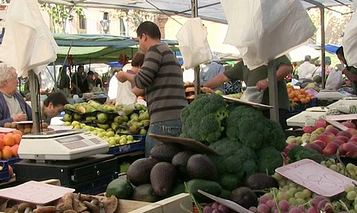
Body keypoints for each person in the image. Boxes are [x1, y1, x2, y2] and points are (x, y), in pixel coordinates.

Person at [117, 21, 187, 157]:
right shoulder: (168, 51)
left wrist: (124, 75)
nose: (140, 46)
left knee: (154, 168)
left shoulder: (155, 50)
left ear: (144, 36)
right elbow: (148, 84)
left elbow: (141, 80)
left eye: (139, 41)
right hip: (177, 120)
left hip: (163, 124)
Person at [203, 57, 293, 129]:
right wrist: (204, 87)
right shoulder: (245, 62)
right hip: (257, 109)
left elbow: (287, 67)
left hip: (276, 108)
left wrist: (268, 81)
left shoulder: (269, 53)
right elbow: (224, 77)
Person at [0, 63, 33, 128]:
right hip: (7, 137)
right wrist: (12, 120)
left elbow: (31, 115)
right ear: (6, 82)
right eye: (15, 78)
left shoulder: (17, 96)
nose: (17, 81)